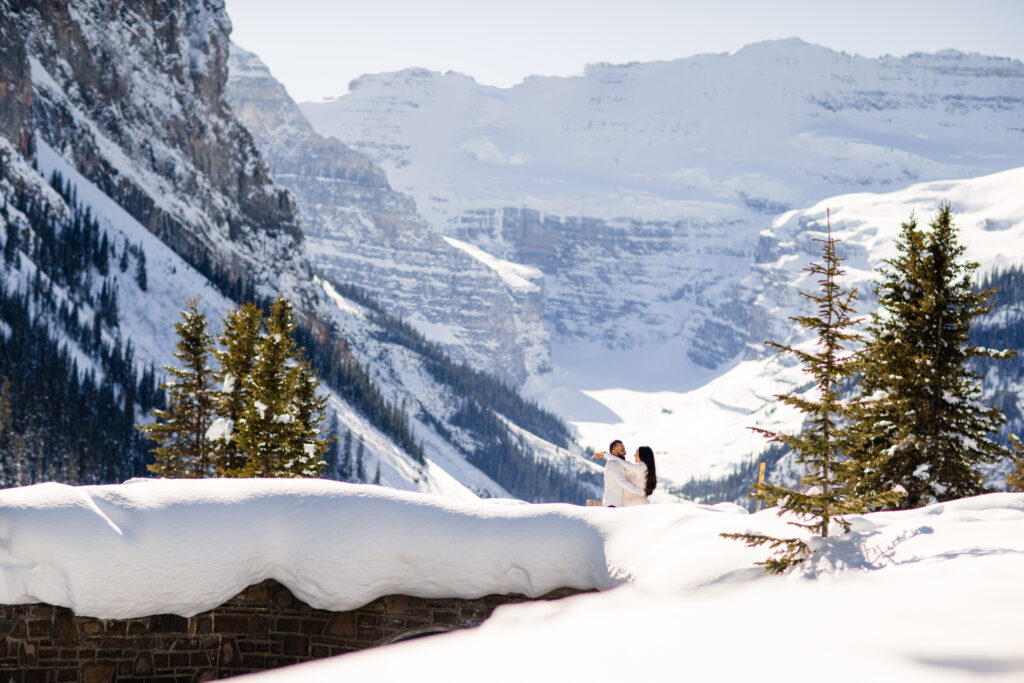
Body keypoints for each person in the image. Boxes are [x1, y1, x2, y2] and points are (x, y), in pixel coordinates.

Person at [591, 439, 646, 507]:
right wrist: (642, 493)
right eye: (622, 450)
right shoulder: (613, 464)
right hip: (613, 505)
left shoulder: (621, 464)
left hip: (617, 505)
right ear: (614, 452)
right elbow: (624, 483)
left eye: (624, 450)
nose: (625, 452)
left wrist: (606, 454)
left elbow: (629, 466)